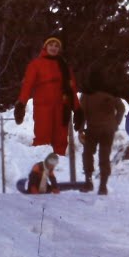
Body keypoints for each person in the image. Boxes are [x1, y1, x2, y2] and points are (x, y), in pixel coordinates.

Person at [14, 33, 84, 162]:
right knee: (42, 139)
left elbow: (72, 90)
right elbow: (27, 85)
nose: (54, 47)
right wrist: (21, 103)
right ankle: (40, 168)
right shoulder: (35, 64)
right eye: (51, 44)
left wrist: (78, 109)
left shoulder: (64, 66)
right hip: (43, 108)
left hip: (62, 108)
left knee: (61, 141)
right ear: (45, 46)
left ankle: (59, 167)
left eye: (57, 46)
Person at [77, 71, 126, 195]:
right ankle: (103, 186)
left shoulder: (86, 94)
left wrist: (81, 130)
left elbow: (81, 113)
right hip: (107, 130)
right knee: (104, 156)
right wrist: (115, 123)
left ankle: (88, 182)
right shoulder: (111, 92)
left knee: (87, 154)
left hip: (92, 130)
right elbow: (121, 108)